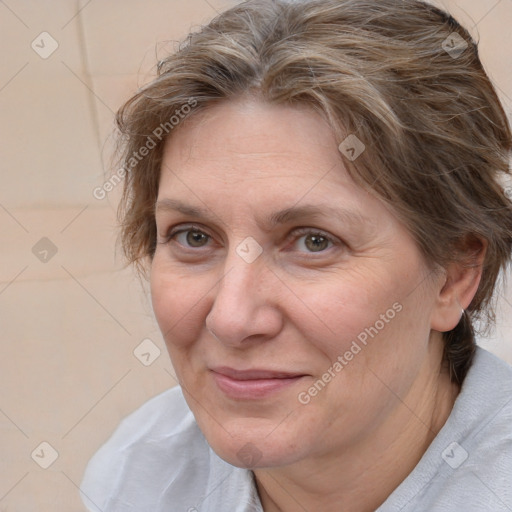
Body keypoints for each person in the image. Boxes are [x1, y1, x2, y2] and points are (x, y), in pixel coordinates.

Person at [80, 0, 512, 510]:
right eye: (194, 237)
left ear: (454, 276)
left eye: (314, 241)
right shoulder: (140, 476)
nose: (231, 319)